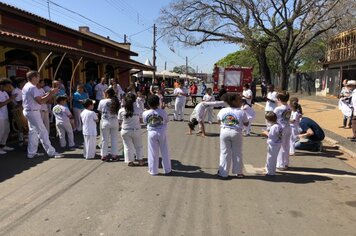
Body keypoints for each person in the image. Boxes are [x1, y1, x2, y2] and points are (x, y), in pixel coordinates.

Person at [22, 71, 63, 159]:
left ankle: (31, 153)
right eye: (38, 77)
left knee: (33, 132)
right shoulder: (32, 87)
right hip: (33, 112)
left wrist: (49, 93)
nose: (39, 79)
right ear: (34, 77)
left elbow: (41, 97)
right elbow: (40, 101)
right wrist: (51, 94)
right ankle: (52, 152)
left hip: (30, 111)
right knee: (43, 131)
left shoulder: (27, 86)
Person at [217, 93, 249, 179]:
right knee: (237, 152)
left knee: (224, 152)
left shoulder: (223, 110)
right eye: (239, 100)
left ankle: (223, 173)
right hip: (236, 132)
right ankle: (238, 172)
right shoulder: (241, 112)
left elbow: (219, 121)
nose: (241, 101)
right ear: (234, 102)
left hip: (224, 131)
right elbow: (246, 123)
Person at [142, 95, 171, 175]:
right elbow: (167, 120)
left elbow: (145, 122)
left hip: (151, 132)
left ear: (148, 104)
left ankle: (153, 170)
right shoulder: (162, 112)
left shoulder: (145, 113)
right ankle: (167, 169)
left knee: (152, 152)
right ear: (158, 103)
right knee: (164, 150)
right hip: (162, 131)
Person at [118, 93, 144, 166]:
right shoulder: (138, 110)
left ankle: (130, 161)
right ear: (135, 100)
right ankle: (140, 161)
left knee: (127, 146)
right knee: (138, 145)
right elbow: (141, 121)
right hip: (136, 130)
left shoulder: (121, 110)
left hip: (125, 130)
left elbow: (119, 121)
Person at [97, 88, 120, 161]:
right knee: (114, 139)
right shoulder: (116, 101)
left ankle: (104, 155)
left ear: (107, 94)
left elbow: (100, 111)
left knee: (104, 139)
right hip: (114, 121)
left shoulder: (102, 101)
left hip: (105, 121)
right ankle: (114, 155)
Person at [274, 91, 291, 170]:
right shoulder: (289, 107)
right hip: (288, 127)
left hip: (281, 129)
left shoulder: (278, 109)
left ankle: (280, 164)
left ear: (279, 99)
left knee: (280, 146)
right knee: (286, 146)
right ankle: (286, 162)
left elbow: (273, 117)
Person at [262, 111, 282, 176]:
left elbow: (271, 136)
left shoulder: (274, 127)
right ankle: (271, 170)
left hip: (273, 144)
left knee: (270, 158)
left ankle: (270, 172)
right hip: (278, 143)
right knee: (274, 158)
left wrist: (265, 132)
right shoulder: (279, 125)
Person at [0, 78, 16, 155]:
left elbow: (9, 102)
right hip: (0, 117)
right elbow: (0, 105)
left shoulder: (5, 93)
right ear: (2, 85)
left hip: (5, 115)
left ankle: (3, 145)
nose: (8, 88)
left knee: (7, 131)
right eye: (7, 86)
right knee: (1, 132)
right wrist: (11, 99)